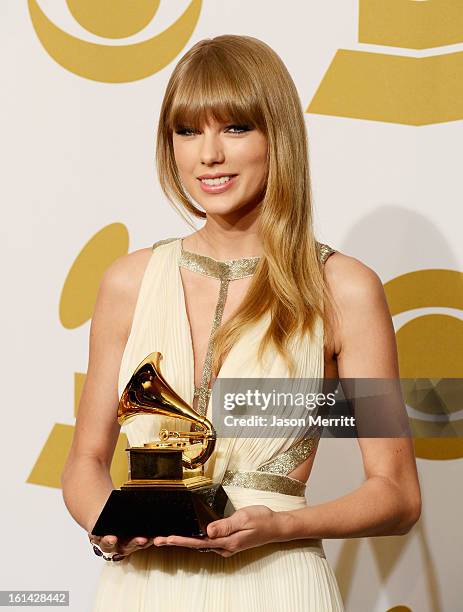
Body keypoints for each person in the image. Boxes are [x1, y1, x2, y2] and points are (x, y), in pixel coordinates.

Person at [61, 35, 421, 611]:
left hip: (276, 581)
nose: (208, 155)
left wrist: (277, 527)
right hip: (143, 588)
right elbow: (84, 462)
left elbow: (397, 494)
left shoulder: (344, 289)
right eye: (187, 131)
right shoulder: (128, 282)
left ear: (277, 136)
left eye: (234, 128)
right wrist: (107, 524)